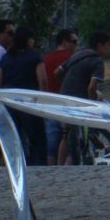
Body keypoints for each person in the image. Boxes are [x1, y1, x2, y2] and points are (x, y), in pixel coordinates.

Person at [56, 30, 110, 164]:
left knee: (65, 134)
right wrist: (92, 104)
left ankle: (59, 166)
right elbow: (92, 87)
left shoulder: (77, 55)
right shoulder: (97, 61)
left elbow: (57, 72)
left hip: (65, 96)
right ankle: (91, 142)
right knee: (98, 100)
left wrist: (66, 86)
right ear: (100, 45)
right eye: (108, 45)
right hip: (80, 99)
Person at [0, 26, 48, 164]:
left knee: (13, 138)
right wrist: (43, 99)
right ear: (28, 40)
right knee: (36, 138)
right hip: (29, 102)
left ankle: (14, 165)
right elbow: (42, 79)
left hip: (8, 102)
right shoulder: (34, 56)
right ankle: (37, 165)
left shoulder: (6, 58)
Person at [42, 28, 79, 165]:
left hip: (50, 102)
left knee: (51, 145)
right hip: (67, 102)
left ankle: (50, 170)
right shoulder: (72, 58)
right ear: (64, 41)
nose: (76, 45)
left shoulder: (46, 59)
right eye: (74, 41)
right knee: (69, 143)